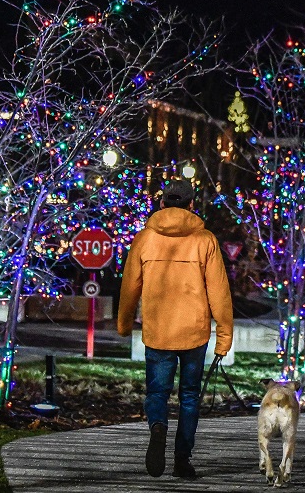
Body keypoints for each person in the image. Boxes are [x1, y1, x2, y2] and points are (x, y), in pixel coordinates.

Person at [117, 178, 233, 479]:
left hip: (158, 330)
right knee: (190, 396)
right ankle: (182, 459)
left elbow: (130, 286)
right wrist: (223, 337)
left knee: (157, 392)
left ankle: (157, 426)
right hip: (194, 334)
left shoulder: (144, 239)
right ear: (192, 205)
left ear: (161, 203)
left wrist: (124, 324)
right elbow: (219, 292)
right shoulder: (205, 240)